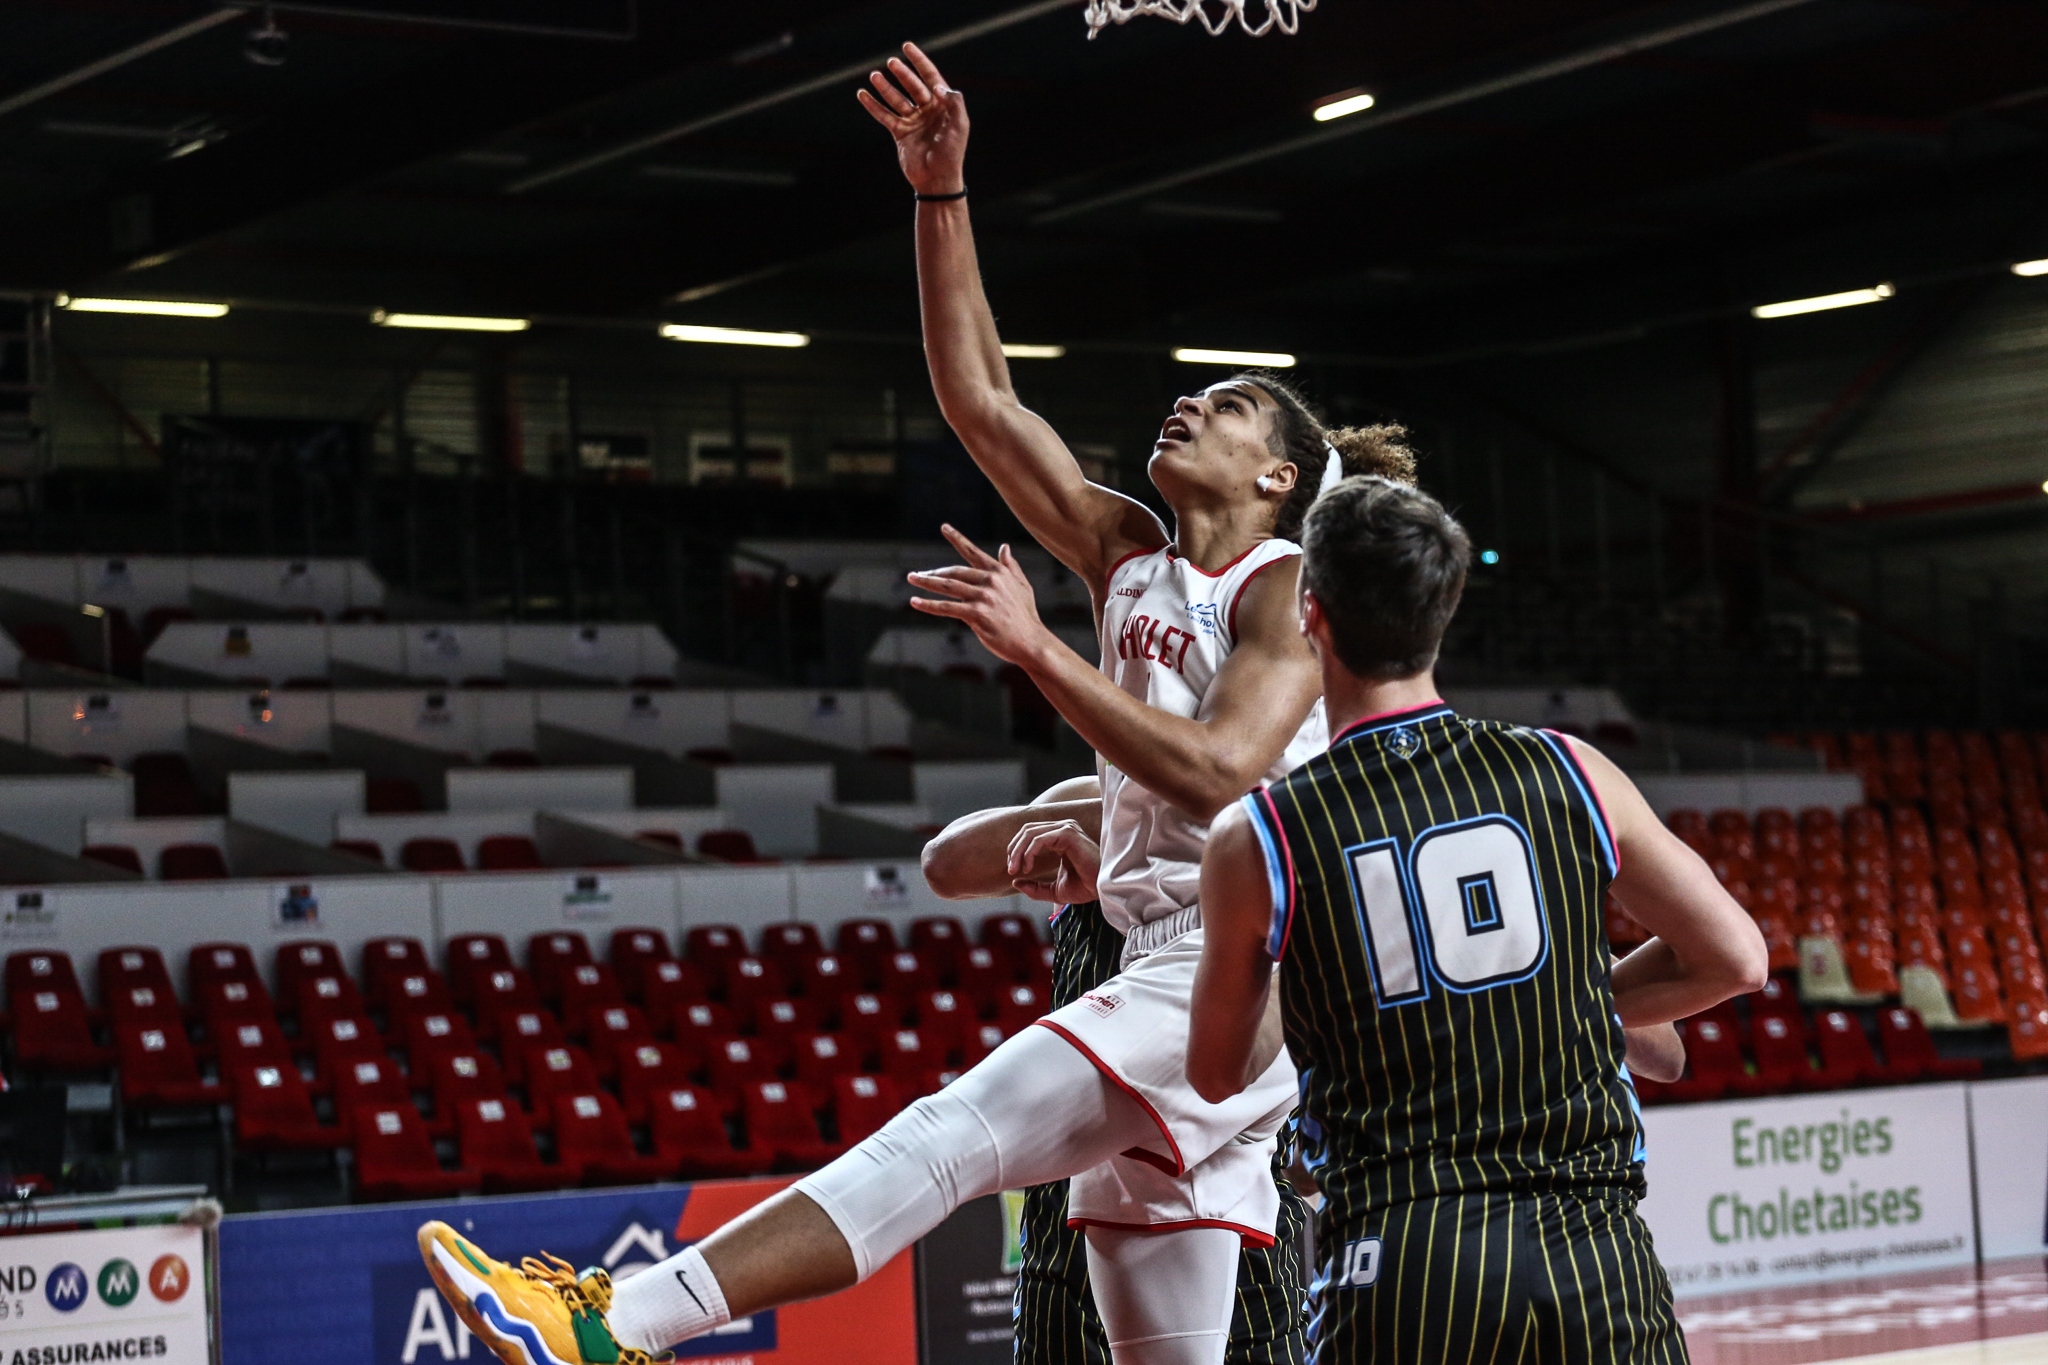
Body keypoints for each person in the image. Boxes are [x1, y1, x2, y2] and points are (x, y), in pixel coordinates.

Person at [419, 38, 1408, 1365]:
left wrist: (1039, 654)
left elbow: (1230, 771)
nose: (1185, 401)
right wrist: (939, 195)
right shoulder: (1127, 549)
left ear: (1280, 476)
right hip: (1179, 965)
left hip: (1231, 965)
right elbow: (980, 397)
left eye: (1224, 405)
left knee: (948, 1137)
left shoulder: (1285, 589)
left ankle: (617, 1321)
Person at [1187, 477, 1769, 1364]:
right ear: (1443, 612)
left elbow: (1219, 1071)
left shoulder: (1261, 832)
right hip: (1594, 1245)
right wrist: (1563, 1004)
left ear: (1312, 616)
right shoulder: (1568, 767)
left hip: (1409, 1250)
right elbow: (1736, 957)